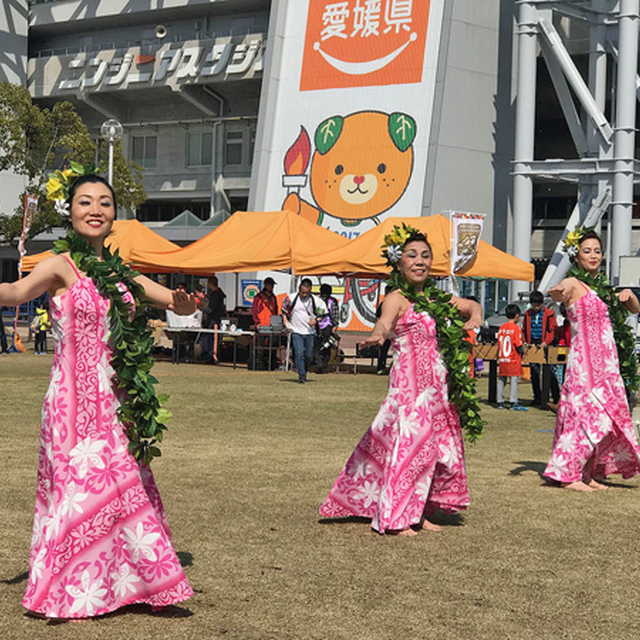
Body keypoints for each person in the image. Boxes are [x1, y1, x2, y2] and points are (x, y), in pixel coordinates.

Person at [0, 169, 195, 618]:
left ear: (113, 215)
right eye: (85, 201)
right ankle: (70, 587)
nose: (95, 209)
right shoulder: (57, 264)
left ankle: (134, 582)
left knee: (123, 485)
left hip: (117, 398)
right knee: (77, 489)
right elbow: (14, 291)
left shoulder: (119, 272)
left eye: (104, 202)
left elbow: (167, 297)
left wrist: (183, 304)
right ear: (70, 211)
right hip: (72, 398)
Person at [319, 226, 483, 535]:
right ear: (398, 263)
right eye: (411, 255)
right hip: (409, 390)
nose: (419, 261)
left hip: (437, 389)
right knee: (411, 450)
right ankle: (396, 517)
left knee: (435, 451)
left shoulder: (438, 297)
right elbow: (384, 322)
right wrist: (377, 335)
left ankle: (418, 511)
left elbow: (470, 305)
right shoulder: (396, 298)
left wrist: (475, 314)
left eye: (425, 255)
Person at [544, 229, 640, 491]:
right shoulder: (575, 282)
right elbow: (562, 290)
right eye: (587, 251)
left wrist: (629, 295)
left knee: (605, 415)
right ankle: (568, 474)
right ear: (577, 257)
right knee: (585, 413)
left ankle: (588, 471)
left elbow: (635, 309)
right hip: (585, 361)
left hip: (607, 361)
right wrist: (559, 290)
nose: (594, 255)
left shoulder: (603, 289)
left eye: (597, 250)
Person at [282, 278, 327, 384]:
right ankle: (302, 376)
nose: (304, 295)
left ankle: (304, 369)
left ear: (310, 291)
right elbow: (284, 309)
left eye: (306, 293)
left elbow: (323, 313)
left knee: (308, 355)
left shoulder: (316, 300)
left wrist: (316, 321)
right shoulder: (292, 298)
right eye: (302, 292)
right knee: (298, 353)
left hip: (310, 332)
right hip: (296, 331)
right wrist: (285, 320)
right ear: (299, 289)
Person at [522, 290, 560, 408]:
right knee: (534, 372)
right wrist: (525, 342)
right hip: (532, 344)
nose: (536, 307)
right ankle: (537, 397)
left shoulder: (549, 314)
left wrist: (546, 342)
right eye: (534, 304)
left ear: (542, 303)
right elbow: (524, 329)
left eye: (538, 304)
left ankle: (555, 397)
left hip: (545, 344)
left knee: (549, 372)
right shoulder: (528, 314)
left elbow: (552, 330)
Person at [496, 304, 528, 411]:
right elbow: (518, 344)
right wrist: (523, 352)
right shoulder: (515, 328)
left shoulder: (502, 327)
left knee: (501, 380)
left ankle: (500, 401)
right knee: (514, 380)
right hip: (513, 358)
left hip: (503, 358)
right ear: (517, 315)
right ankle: (513, 402)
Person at [251, 277, 280, 370]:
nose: (272, 287)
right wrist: (257, 323)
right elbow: (255, 311)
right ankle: (259, 365)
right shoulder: (259, 297)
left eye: (272, 285)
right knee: (260, 347)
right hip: (262, 325)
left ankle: (271, 365)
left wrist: (277, 323)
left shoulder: (273, 297)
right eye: (270, 285)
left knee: (272, 346)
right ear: (266, 285)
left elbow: (275, 310)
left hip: (272, 326)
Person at [315, 283, 340, 374]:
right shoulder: (333, 301)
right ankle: (324, 366)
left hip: (318, 325)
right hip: (329, 326)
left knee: (317, 346)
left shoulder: (317, 300)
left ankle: (319, 365)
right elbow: (336, 314)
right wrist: (335, 325)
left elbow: (316, 313)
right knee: (327, 346)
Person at [202, 275, 226, 363]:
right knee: (208, 337)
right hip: (211, 320)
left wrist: (202, 308)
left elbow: (211, 308)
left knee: (214, 338)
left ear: (210, 283)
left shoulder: (216, 294)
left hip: (215, 319)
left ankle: (213, 356)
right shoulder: (213, 294)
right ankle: (208, 355)